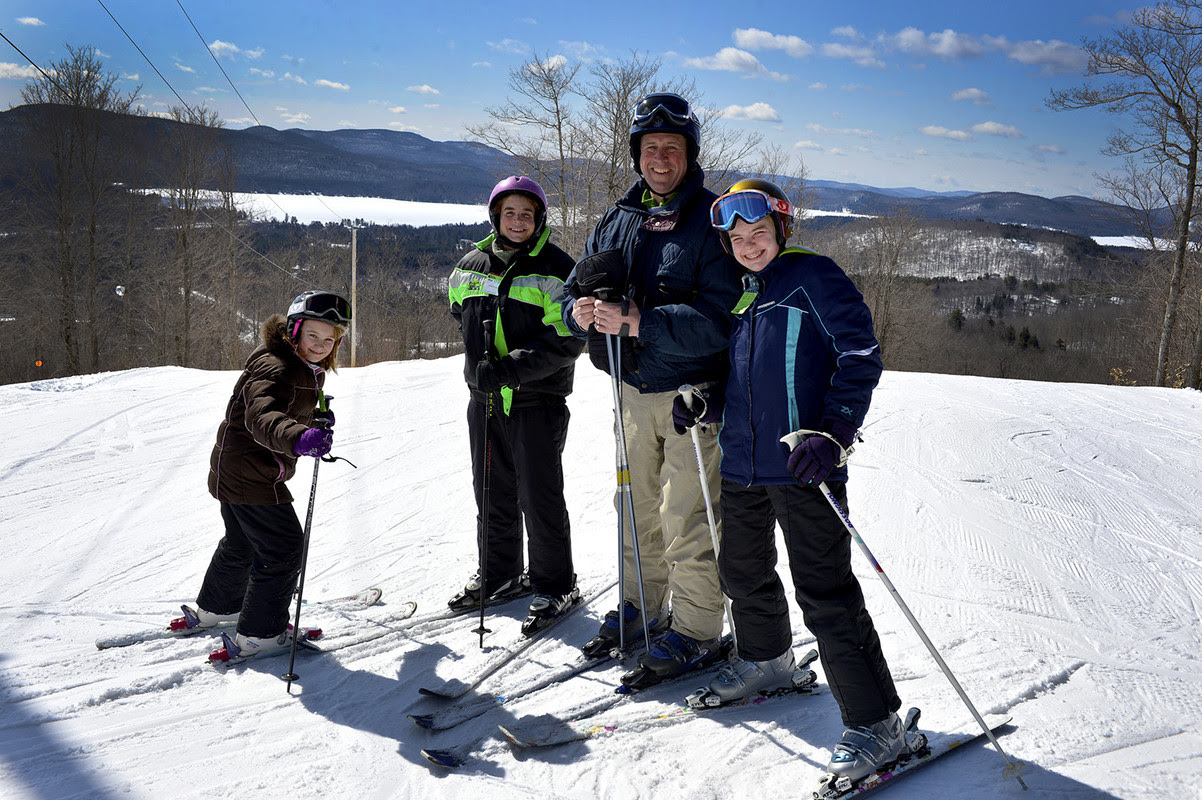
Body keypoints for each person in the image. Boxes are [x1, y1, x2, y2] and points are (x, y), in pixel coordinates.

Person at [678, 179, 921, 788]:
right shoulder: (744, 293)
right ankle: (765, 660)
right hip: (741, 464)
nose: (747, 244)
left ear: (781, 229)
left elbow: (860, 355)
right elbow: (747, 381)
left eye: (758, 232)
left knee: (826, 593)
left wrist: (833, 433)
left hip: (803, 465)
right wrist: (707, 404)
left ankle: (877, 722)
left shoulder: (813, 276)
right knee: (742, 570)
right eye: (736, 237)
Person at [562, 92, 742, 684]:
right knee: (634, 506)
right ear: (636, 153)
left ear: (689, 155)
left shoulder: (711, 221)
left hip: (690, 397)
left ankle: (693, 629)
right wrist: (579, 312)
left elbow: (722, 320)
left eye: (672, 148)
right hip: (630, 392)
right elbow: (573, 286)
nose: (660, 158)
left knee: (685, 513)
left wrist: (642, 322)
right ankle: (642, 607)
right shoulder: (619, 217)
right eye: (649, 148)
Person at [175, 290, 351, 661]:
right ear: (294, 331)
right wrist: (300, 436)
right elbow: (262, 416)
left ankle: (219, 609)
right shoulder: (280, 367)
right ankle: (261, 634)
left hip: (234, 468)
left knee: (241, 541)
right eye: (312, 336)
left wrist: (311, 422)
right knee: (283, 549)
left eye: (329, 339)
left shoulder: (295, 363)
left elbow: (286, 407)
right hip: (252, 474)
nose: (320, 345)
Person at [448, 176, 584, 636]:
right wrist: (481, 366)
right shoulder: (469, 264)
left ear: (539, 218)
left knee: (538, 496)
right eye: (510, 213)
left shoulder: (557, 268)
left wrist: (511, 368)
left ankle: (555, 584)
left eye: (527, 214)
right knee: (491, 490)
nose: (518, 221)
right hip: (483, 400)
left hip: (535, 399)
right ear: (496, 216)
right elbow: (457, 309)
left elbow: (567, 338)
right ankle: (500, 573)